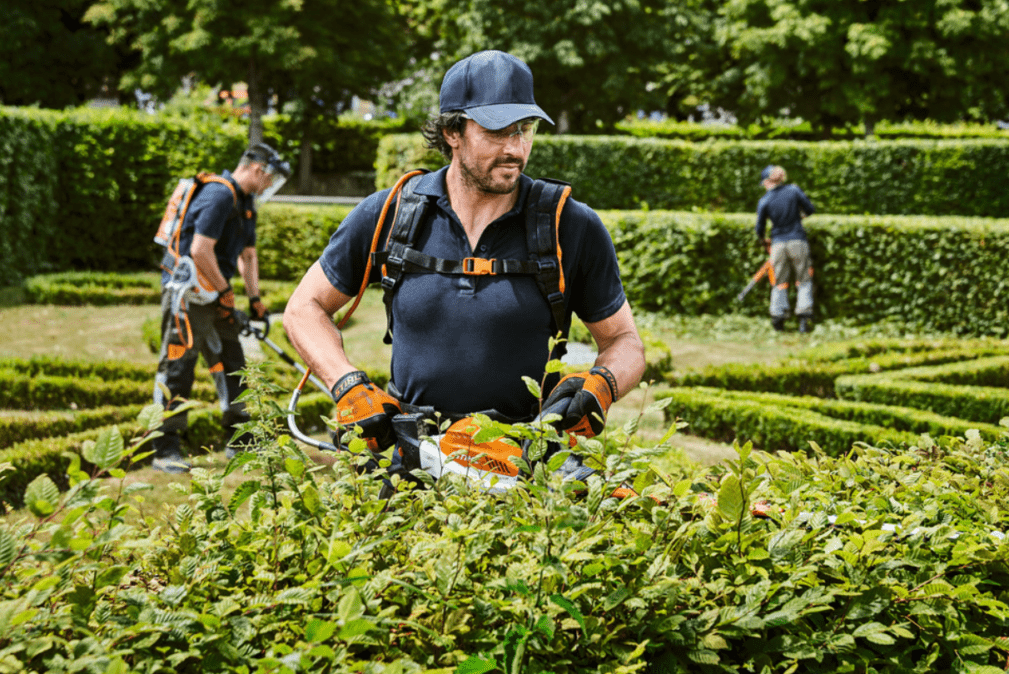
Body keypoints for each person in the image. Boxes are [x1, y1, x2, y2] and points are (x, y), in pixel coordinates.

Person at [283, 49, 645, 457]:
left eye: (524, 129)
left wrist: (603, 385)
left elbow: (625, 341)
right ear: (452, 132)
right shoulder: (390, 213)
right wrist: (347, 385)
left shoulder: (569, 224)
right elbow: (303, 308)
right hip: (413, 467)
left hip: (525, 466)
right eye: (497, 132)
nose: (515, 148)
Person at [151, 142, 291, 473]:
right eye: (271, 179)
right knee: (179, 366)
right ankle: (164, 449)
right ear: (258, 169)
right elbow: (200, 250)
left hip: (214, 290)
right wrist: (227, 291)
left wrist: (254, 299)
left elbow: (248, 255)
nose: (270, 186)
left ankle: (240, 442)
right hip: (189, 293)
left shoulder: (245, 204)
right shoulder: (218, 195)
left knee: (233, 361)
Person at [755, 165, 816, 333]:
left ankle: (778, 318)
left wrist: (763, 241)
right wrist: (799, 216)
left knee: (779, 282)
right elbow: (810, 209)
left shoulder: (765, 200)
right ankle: (804, 320)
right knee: (803, 279)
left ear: (768, 181)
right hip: (798, 240)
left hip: (778, 244)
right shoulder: (794, 191)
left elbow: (759, 227)